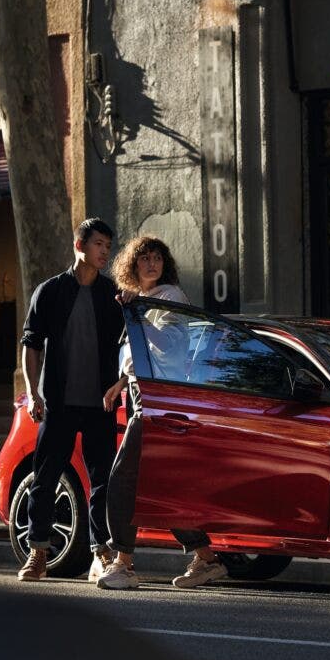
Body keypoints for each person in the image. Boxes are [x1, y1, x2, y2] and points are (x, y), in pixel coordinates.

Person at [96, 236, 228, 590]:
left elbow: (169, 346)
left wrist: (139, 314)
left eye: (157, 258)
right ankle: (206, 558)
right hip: (141, 393)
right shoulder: (141, 301)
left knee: (124, 479)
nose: (151, 264)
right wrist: (120, 384)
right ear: (133, 265)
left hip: (160, 398)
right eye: (144, 259)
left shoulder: (169, 297)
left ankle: (122, 562)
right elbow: (137, 356)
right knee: (159, 484)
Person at [17, 218, 126, 583]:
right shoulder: (49, 292)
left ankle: (101, 553)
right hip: (59, 404)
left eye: (108, 247)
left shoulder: (112, 295)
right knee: (44, 479)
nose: (105, 252)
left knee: (102, 484)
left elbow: (130, 344)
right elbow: (30, 345)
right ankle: (38, 553)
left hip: (101, 406)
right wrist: (33, 393)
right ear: (80, 245)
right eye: (99, 245)